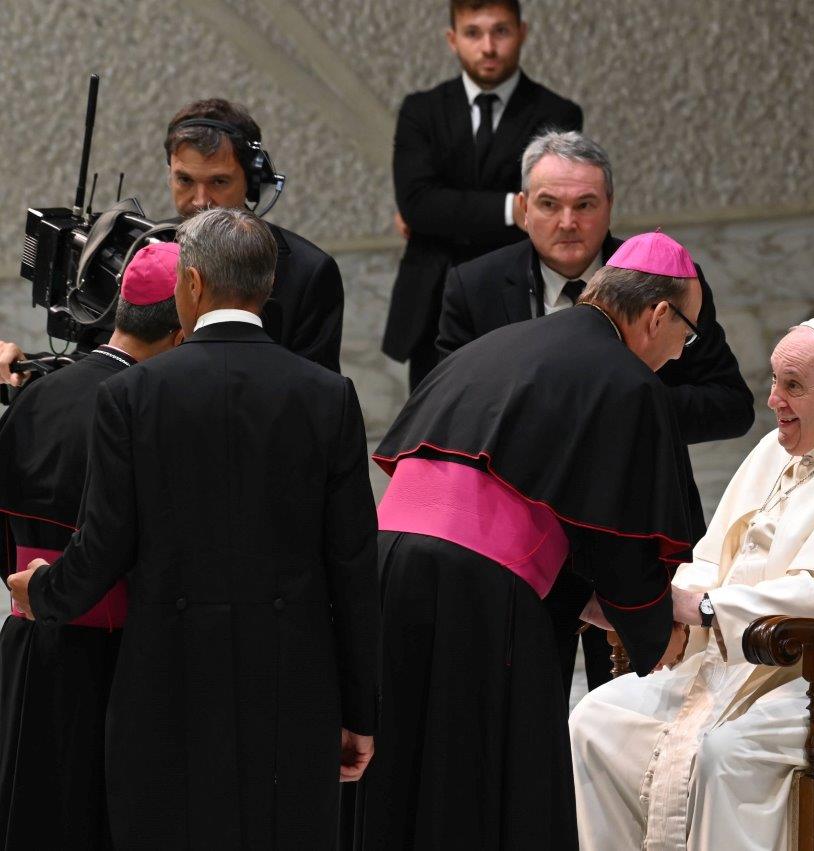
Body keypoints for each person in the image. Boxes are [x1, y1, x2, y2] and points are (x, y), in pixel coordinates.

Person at [6, 208, 380, 849]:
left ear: (195, 285)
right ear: (266, 289)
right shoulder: (328, 396)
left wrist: (43, 593)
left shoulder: (132, 395)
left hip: (166, 676)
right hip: (292, 681)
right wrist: (359, 712)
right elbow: (352, 566)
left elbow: (103, 545)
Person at [354, 232, 702, 849]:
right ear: (656, 316)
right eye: (687, 333)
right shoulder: (625, 380)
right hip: (477, 591)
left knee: (399, 762)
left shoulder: (500, 343)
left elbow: (552, 502)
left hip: (387, 565)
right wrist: (652, 624)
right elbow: (619, 540)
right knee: (478, 773)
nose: (679, 354)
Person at [568, 318, 814, 851]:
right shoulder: (778, 449)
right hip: (753, 653)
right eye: (775, 381)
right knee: (598, 718)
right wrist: (668, 614)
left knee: (726, 752)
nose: (773, 399)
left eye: (793, 386)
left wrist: (705, 611)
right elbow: (715, 554)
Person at [437, 130, 754, 691]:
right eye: (549, 205)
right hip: (524, 526)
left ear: (608, 207)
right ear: (523, 208)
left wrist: (621, 415)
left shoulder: (671, 281)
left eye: (585, 205)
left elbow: (731, 404)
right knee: (532, 687)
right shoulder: (475, 286)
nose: (568, 222)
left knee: (643, 691)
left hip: (631, 510)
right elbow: (457, 401)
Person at [0, 242, 185, 850]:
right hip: (108, 662)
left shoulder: (35, 393)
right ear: (181, 328)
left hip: (25, 644)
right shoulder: (145, 410)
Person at [0, 96, 346, 382]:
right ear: (169, 173)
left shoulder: (308, 272)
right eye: (184, 180)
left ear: (252, 182)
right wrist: (32, 368)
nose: (200, 200)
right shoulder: (136, 250)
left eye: (219, 182)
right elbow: (98, 362)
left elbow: (318, 397)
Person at [381, 0, 584, 389]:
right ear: (453, 39)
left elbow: (554, 204)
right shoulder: (421, 110)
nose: (488, 46)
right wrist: (515, 206)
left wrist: (442, 211)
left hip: (519, 292)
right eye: (474, 33)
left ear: (522, 32)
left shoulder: (557, 113)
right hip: (433, 302)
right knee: (436, 429)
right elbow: (419, 204)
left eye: (501, 31)